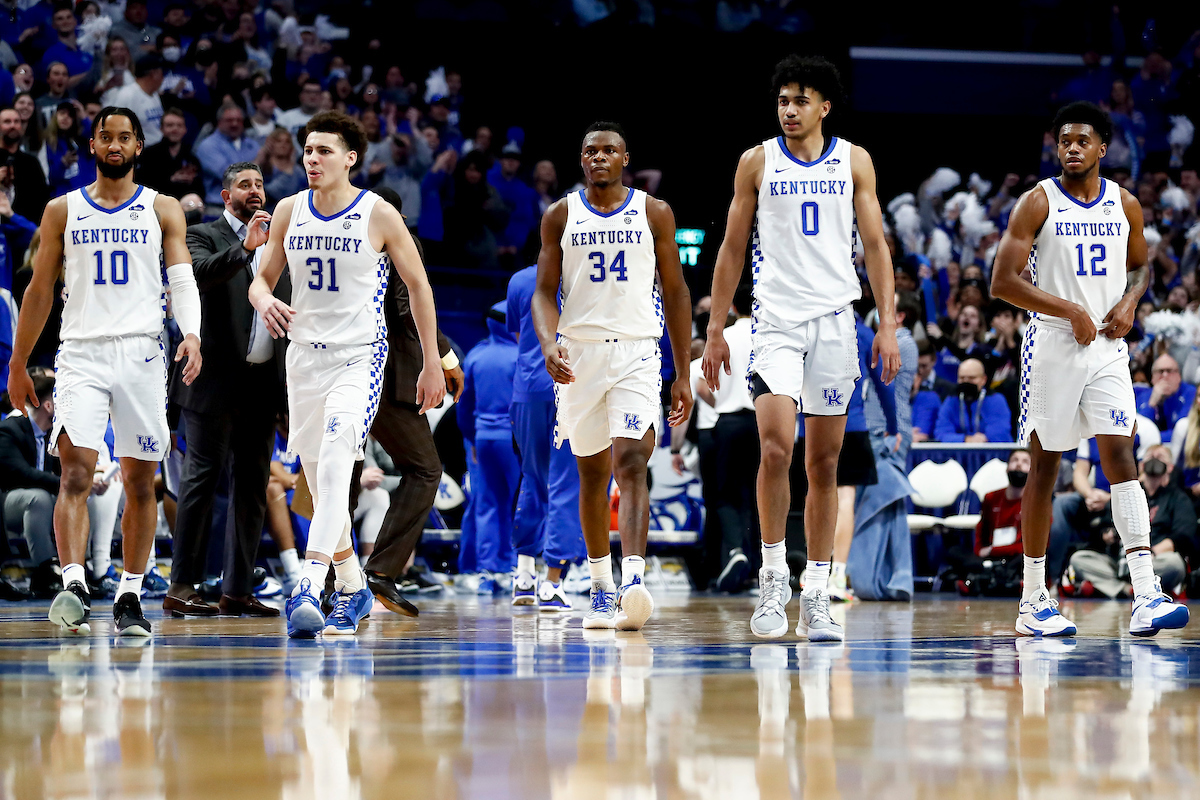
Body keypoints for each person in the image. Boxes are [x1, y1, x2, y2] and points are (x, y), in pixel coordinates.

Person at [702, 55, 899, 642]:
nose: (789, 110)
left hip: (837, 322)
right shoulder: (756, 162)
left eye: (801, 100)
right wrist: (715, 329)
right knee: (774, 448)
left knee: (824, 463)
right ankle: (771, 584)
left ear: (825, 106)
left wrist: (885, 323)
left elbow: (876, 245)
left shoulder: (854, 161)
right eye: (783, 100)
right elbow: (732, 248)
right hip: (776, 322)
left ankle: (818, 589)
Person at [990, 100, 1189, 637]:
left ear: (1103, 147)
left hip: (1107, 345)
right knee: (1046, 465)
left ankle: (1146, 592)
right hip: (1053, 342)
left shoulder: (1125, 204)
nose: (1071, 148)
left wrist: (1128, 303)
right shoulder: (1038, 202)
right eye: (1063, 141)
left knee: (1120, 454)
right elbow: (1001, 281)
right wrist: (1069, 309)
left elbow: (1141, 266)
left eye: (1082, 141)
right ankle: (1033, 600)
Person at [248, 111, 445, 638]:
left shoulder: (378, 214)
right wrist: (265, 299)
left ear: (350, 158)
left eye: (324, 151)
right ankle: (353, 587)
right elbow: (261, 280)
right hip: (302, 358)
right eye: (308, 150)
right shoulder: (289, 210)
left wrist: (432, 360)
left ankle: (310, 585)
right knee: (319, 478)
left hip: (359, 356)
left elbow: (420, 288)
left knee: (337, 464)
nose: (313, 159)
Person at [7, 106, 203, 636]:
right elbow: (40, 290)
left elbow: (181, 278)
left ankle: (130, 595)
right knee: (74, 473)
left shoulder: (163, 209)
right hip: (82, 352)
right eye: (106, 137)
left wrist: (191, 333)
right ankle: (73, 583)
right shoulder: (61, 210)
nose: (114, 145)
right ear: (92, 145)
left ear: (139, 147)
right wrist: (19, 361)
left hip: (141, 351)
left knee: (142, 480)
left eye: (125, 137)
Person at [533, 120, 693, 632]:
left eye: (609, 151)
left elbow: (676, 292)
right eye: (590, 151)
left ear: (625, 158)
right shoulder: (560, 215)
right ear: (581, 160)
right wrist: (547, 342)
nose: (599, 158)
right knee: (592, 473)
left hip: (637, 352)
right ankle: (600, 586)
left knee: (631, 461)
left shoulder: (654, 212)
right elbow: (542, 291)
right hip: (579, 354)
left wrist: (682, 373)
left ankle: (633, 580)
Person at [164, 161, 289, 618]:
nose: (254, 191)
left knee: (253, 488)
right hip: (211, 381)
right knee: (200, 482)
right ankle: (181, 585)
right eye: (244, 184)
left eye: (259, 183)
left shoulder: (280, 245)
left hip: (261, 385)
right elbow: (195, 276)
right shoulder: (201, 234)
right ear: (226, 193)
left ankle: (236, 589)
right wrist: (243, 246)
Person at [357, 186, 462, 618]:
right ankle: (378, 572)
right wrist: (443, 356)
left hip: (333, 367)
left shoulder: (342, 236)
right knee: (425, 468)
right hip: (385, 374)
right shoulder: (397, 237)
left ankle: (329, 581)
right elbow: (406, 305)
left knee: (340, 476)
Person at [507, 263, 585, 610]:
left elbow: (518, 333)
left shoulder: (519, 279)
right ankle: (552, 583)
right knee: (566, 484)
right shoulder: (584, 272)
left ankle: (523, 577)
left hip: (528, 388)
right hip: (571, 384)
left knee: (532, 479)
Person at [1066, 444, 1194, 598]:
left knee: (1175, 563)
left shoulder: (1178, 497)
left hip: (1154, 560)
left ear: (1170, 468)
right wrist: (1107, 535)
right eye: (1150, 457)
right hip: (1118, 561)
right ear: (1140, 465)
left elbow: (1183, 535)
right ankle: (1127, 590)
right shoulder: (1127, 492)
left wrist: (1150, 554)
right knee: (1079, 559)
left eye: (1160, 458)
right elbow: (1102, 526)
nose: (1154, 460)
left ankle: (1130, 586)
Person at [456, 303, 519, 589]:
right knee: (517, 503)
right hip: (514, 441)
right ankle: (513, 567)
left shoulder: (476, 355)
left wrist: (470, 437)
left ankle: (485, 570)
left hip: (481, 439)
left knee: (487, 504)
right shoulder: (521, 357)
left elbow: (463, 405)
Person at [710, 285, 758, 593]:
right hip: (760, 421)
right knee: (757, 494)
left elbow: (703, 381)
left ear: (733, 307)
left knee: (726, 494)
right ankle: (756, 570)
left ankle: (735, 551)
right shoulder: (765, 335)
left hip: (727, 420)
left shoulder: (723, 337)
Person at [0, 369, 61, 598]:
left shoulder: (52, 436)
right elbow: (19, 473)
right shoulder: (10, 429)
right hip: (8, 502)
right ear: (48, 406)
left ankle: (80, 569)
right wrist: (62, 483)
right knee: (40, 498)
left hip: (35, 500)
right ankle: (45, 571)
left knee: (74, 496)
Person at [932, 358, 1012, 443]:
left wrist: (981, 439)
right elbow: (941, 433)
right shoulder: (951, 400)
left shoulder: (996, 400)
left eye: (972, 378)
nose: (966, 382)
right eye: (962, 378)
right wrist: (966, 439)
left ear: (983, 380)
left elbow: (1000, 433)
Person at [135, 107, 202, 199]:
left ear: (185, 130)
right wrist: (171, 180)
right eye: (170, 125)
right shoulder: (148, 155)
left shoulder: (191, 158)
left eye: (179, 125)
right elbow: (141, 186)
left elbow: (200, 190)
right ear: (161, 129)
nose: (175, 129)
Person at [1135, 354, 1196, 442]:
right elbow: (1138, 430)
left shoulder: (1190, 393)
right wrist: (1151, 404)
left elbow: (1183, 432)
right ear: (1152, 378)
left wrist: (1152, 438)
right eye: (1160, 371)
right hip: (1148, 449)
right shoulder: (1144, 395)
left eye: (1169, 371)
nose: (1165, 375)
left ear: (1179, 376)